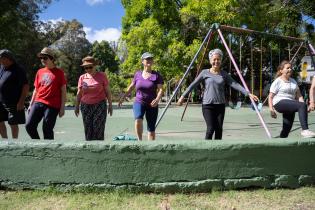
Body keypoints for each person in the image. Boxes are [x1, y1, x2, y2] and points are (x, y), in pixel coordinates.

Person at [177, 48, 258, 140]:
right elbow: (193, 85)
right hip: (208, 105)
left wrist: (248, 94)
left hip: (220, 105)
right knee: (210, 129)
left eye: (218, 59)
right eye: (214, 59)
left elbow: (234, 84)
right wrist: (182, 96)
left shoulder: (224, 74)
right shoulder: (204, 73)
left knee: (219, 130)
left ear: (221, 60)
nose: (216, 61)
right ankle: (207, 150)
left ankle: (217, 152)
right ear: (210, 60)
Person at [118, 52, 163, 140]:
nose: (149, 60)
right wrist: (123, 97)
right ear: (142, 61)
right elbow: (131, 87)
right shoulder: (137, 74)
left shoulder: (157, 75)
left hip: (152, 104)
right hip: (139, 102)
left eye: (151, 59)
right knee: (138, 118)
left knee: (151, 129)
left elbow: (161, 89)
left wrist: (157, 99)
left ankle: (150, 149)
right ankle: (140, 141)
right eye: (147, 59)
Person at [25, 47, 67, 140]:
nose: (42, 60)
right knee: (29, 126)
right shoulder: (39, 72)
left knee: (47, 129)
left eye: (45, 58)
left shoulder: (59, 73)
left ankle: (49, 151)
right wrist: (31, 104)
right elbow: (36, 89)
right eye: (41, 58)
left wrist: (62, 108)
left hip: (52, 105)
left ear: (51, 59)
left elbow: (63, 91)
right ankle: (38, 145)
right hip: (38, 102)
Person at [269, 60, 315, 138]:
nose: (290, 69)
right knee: (302, 105)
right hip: (279, 103)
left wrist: (304, 106)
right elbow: (270, 96)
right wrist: (271, 109)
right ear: (281, 70)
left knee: (287, 129)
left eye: (290, 68)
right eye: (287, 68)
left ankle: (281, 142)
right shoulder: (277, 81)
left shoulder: (293, 81)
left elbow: (299, 95)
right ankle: (305, 130)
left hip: (290, 104)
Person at [75, 56, 113, 140]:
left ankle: (99, 151)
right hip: (85, 106)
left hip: (100, 105)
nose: (88, 69)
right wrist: (76, 106)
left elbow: (108, 91)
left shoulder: (102, 76)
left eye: (90, 67)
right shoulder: (82, 78)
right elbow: (79, 93)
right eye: (86, 68)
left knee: (98, 129)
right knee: (88, 130)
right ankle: (89, 151)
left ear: (95, 66)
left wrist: (110, 105)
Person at [0, 49, 29, 139]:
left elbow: (26, 86)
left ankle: (14, 142)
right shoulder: (2, 67)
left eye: (1, 59)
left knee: (13, 123)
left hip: (14, 102)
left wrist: (21, 102)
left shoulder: (18, 69)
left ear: (8, 58)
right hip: (1, 101)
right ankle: (5, 141)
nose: (0, 61)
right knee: (0, 122)